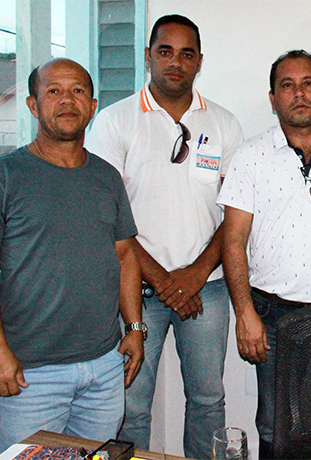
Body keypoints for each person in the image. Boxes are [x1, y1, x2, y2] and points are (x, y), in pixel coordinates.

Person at [0, 58, 143, 453]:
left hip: (105, 368)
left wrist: (135, 328)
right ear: (32, 104)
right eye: (53, 91)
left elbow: (125, 256)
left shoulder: (107, 177)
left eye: (77, 91)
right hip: (29, 376)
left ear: (92, 107)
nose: (67, 101)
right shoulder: (1, 176)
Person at [85, 14, 244, 459]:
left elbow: (234, 214)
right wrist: (164, 281)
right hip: (133, 290)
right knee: (132, 404)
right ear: (148, 56)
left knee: (209, 401)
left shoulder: (225, 123)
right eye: (165, 51)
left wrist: (193, 276)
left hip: (206, 290)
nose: (175, 62)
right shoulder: (115, 123)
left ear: (199, 63)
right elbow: (107, 216)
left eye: (186, 53)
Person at [217, 49, 311, 460]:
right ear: (273, 98)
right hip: (272, 313)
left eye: (309, 83)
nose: (299, 93)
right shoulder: (249, 157)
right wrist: (245, 313)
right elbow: (232, 241)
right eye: (287, 85)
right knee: (275, 425)